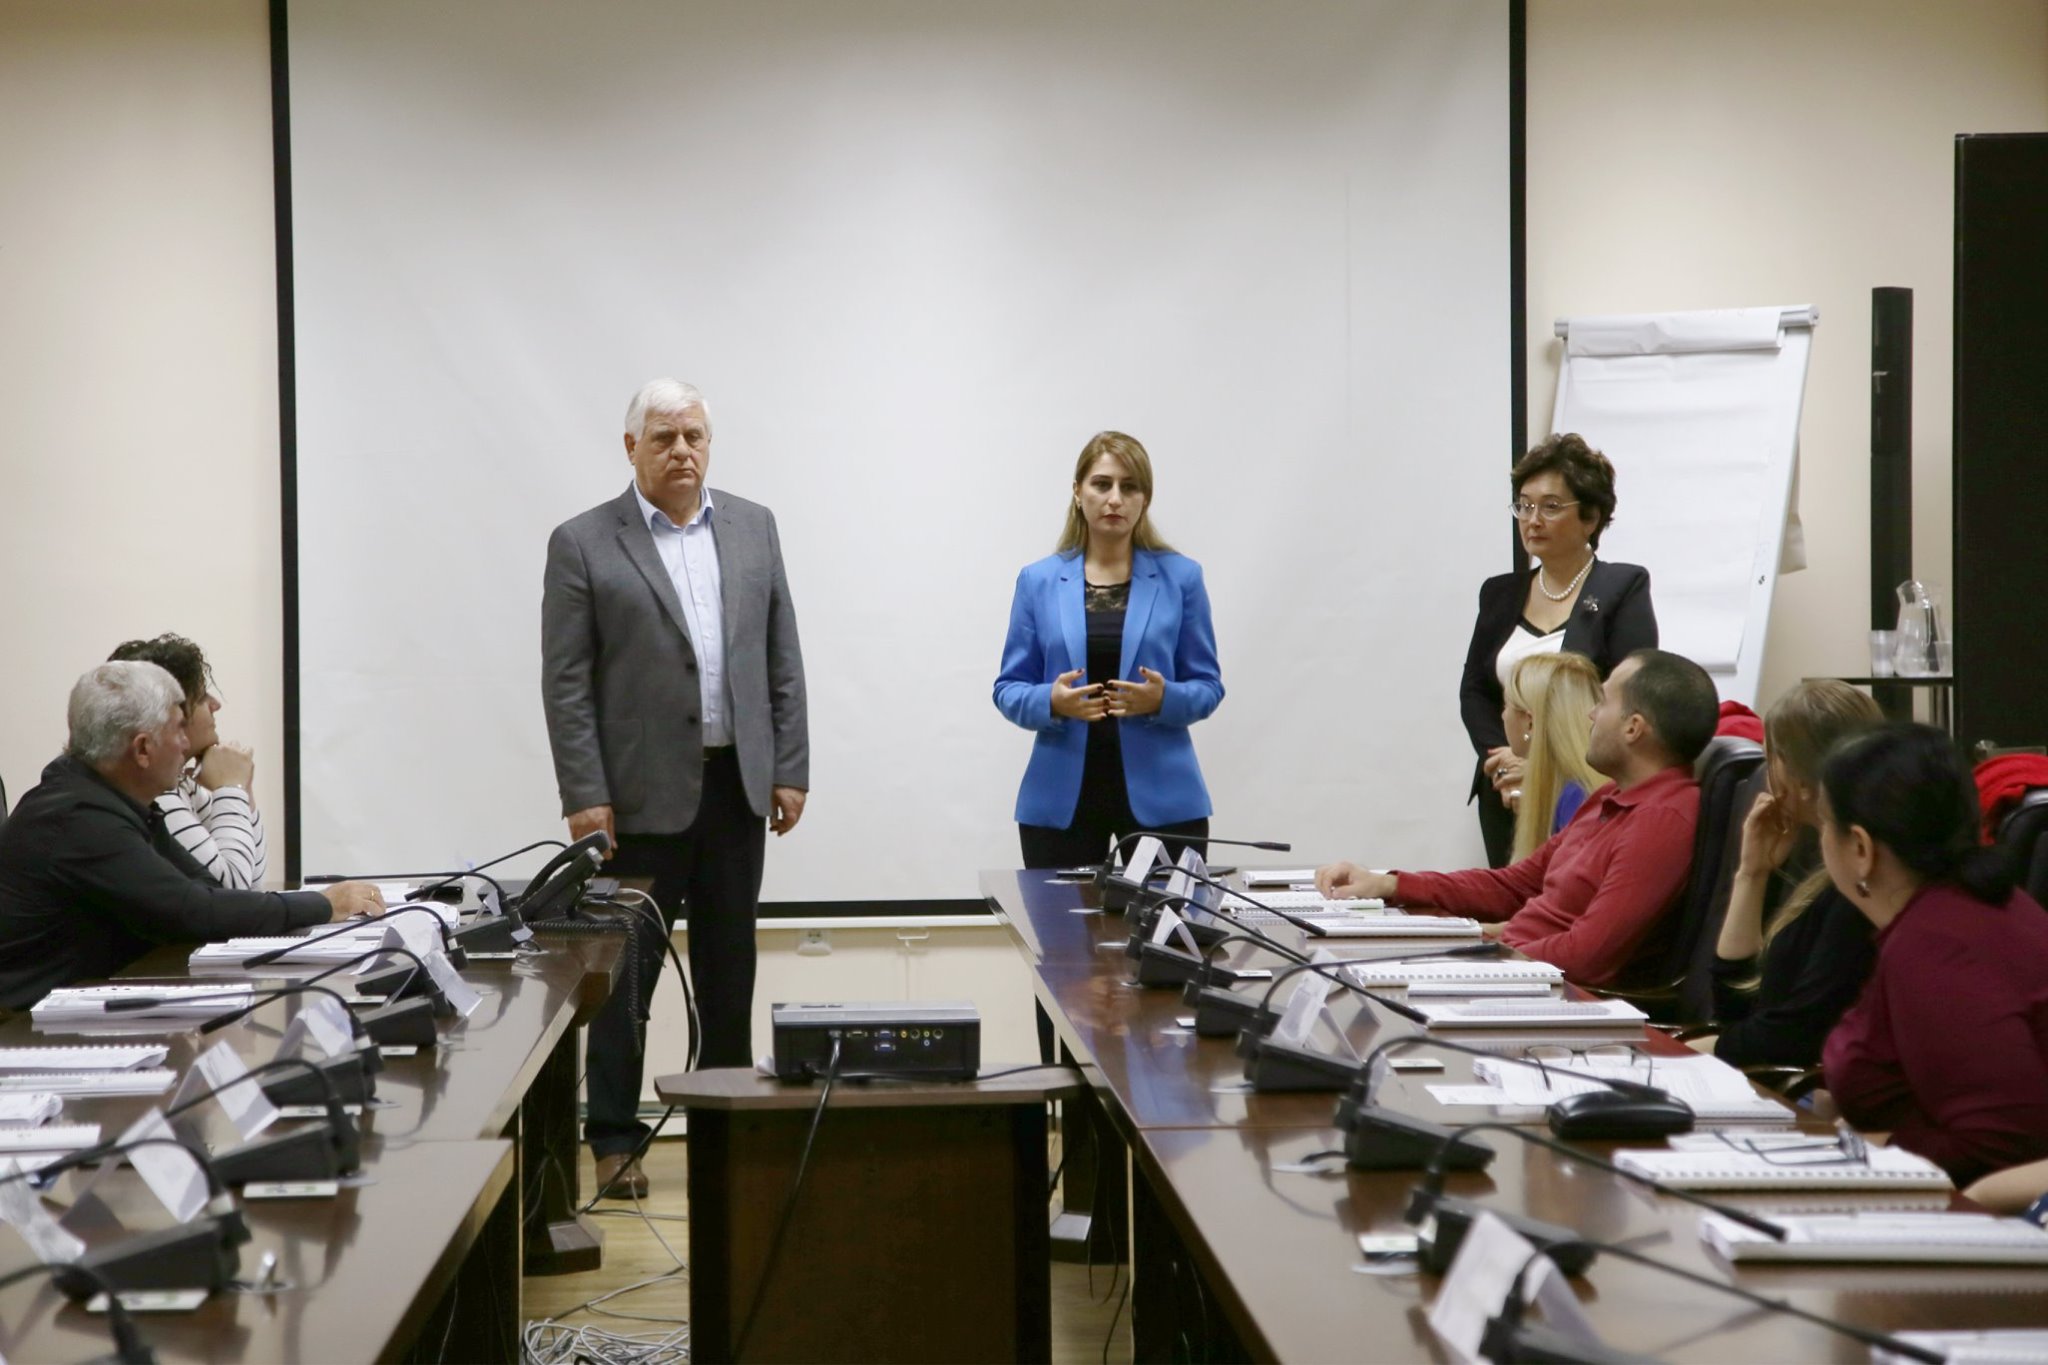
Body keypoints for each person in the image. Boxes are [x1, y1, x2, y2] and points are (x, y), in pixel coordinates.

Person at [542, 378, 809, 1199]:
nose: (682, 450)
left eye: (694, 435)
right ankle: (613, 1137)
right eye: (664, 437)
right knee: (624, 981)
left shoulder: (755, 526)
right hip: (634, 805)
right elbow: (566, 681)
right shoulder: (584, 541)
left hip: (735, 791)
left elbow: (782, 654)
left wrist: (790, 766)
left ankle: (727, 1129)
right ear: (632, 447)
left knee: (730, 976)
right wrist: (584, 793)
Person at [1317, 649, 1717, 987]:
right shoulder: (1610, 796)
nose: (1591, 715)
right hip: (1514, 971)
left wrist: (1482, 956)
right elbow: (1515, 886)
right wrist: (1388, 883)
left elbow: (1587, 955)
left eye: (1604, 702)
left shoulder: (1661, 821)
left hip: (1540, 990)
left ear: (1633, 728)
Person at [0, 662, 382, 1009]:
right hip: (22, 1031)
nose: (186, 744)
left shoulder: (114, 800)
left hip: (72, 1010)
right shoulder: (80, 819)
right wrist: (324, 904)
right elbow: (194, 912)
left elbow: (209, 890)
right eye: (179, 729)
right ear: (143, 749)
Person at [1818, 724, 2048, 1187]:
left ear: (1860, 848)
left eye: (1823, 823)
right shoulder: (1969, 906)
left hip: (1978, 1213)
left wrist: (1880, 1144)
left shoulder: (1935, 947)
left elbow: (1998, 1147)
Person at [994, 431, 1224, 869]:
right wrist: (1051, 701)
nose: (1115, 498)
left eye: (1129, 486)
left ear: (1145, 499)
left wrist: (1163, 698)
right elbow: (1008, 688)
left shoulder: (1182, 578)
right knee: (1060, 919)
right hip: (1060, 800)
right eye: (1102, 484)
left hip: (1165, 798)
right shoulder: (1038, 581)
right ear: (1078, 492)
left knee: (1167, 917)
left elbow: (1208, 686)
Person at [1461, 434, 1657, 867]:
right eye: (1524, 506)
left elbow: (1628, 694)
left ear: (1590, 517)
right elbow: (1474, 690)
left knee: (1566, 900)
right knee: (1508, 898)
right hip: (1505, 788)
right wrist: (1503, 760)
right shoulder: (1499, 594)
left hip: (1582, 789)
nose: (1533, 520)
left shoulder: (1621, 587)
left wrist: (1545, 767)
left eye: (1550, 507)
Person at [1708, 680, 1882, 1068]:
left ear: (1800, 783)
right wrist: (1751, 874)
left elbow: (1790, 1038)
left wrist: (1700, 1051)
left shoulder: (1860, 892)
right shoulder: (1826, 870)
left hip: (1800, 1089)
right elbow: (1736, 1001)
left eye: (1771, 759)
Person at [108, 633, 266, 889]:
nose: (216, 705)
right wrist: (230, 788)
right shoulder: (154, 794)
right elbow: (231, 891)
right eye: (201, 697)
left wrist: (243, 789)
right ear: (172, 715)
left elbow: (252, 879)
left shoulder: (180, 784)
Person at [1498, 652, 1603, 863]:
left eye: (1506, 705)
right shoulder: (1575, 788)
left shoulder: (1576, 798)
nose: (1503, 715)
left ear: (1530, 722)